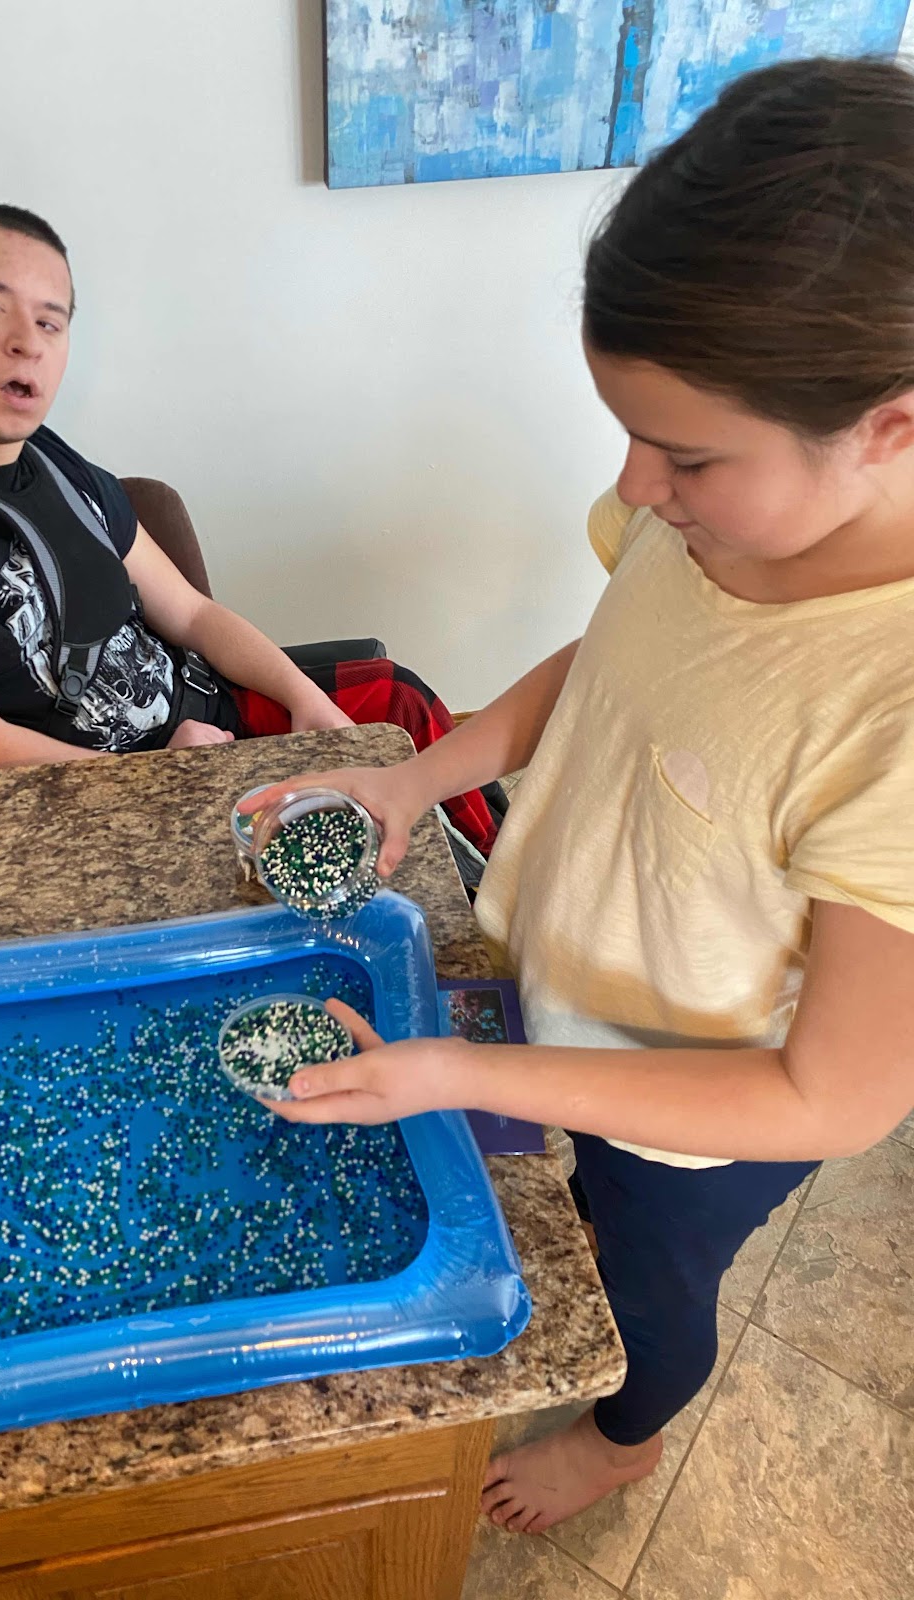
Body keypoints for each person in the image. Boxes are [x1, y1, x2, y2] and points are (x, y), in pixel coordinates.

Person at [247, 57, 914, 1534]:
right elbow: (611, 661)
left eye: (686, 454)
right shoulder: (707, 524)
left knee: (641, 1297)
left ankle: (624, 1440)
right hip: (560, 994)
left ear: (891, 423)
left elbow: (837, 1091)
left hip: (696, 1123)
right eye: (629, 429)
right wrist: (418, 775)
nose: (635, 483)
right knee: (562, 1196)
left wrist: (459, 1074)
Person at [0, 203, 499, 854]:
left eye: (50, 322)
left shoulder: (47, 460)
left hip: (208, 719)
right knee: (375, 856)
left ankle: (502, 889)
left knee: (395, 703)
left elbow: (189, 612)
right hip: (112, 803)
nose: (25, 343)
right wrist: (164, 775)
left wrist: (302, 700)